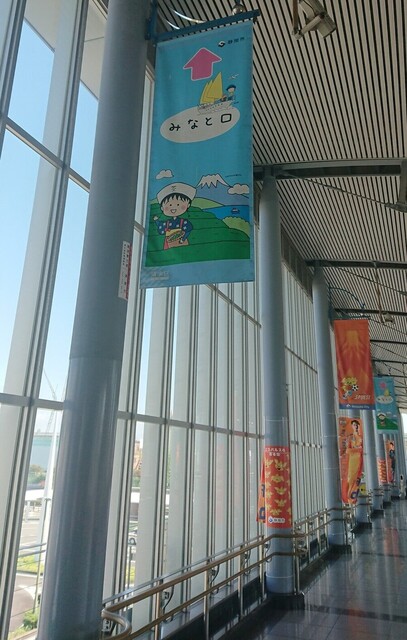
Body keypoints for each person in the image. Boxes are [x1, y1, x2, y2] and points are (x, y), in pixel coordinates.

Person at [153, 182, 196, 250]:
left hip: (181, 242)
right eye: (170, 205)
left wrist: (183, 239)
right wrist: (156, 220)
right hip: (169, 243)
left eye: (178, 204)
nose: (174, 208)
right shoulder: (167, 223)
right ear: (162, 208)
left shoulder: (183, 222)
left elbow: (188, 230)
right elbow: (160, 226)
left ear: (188, 205)